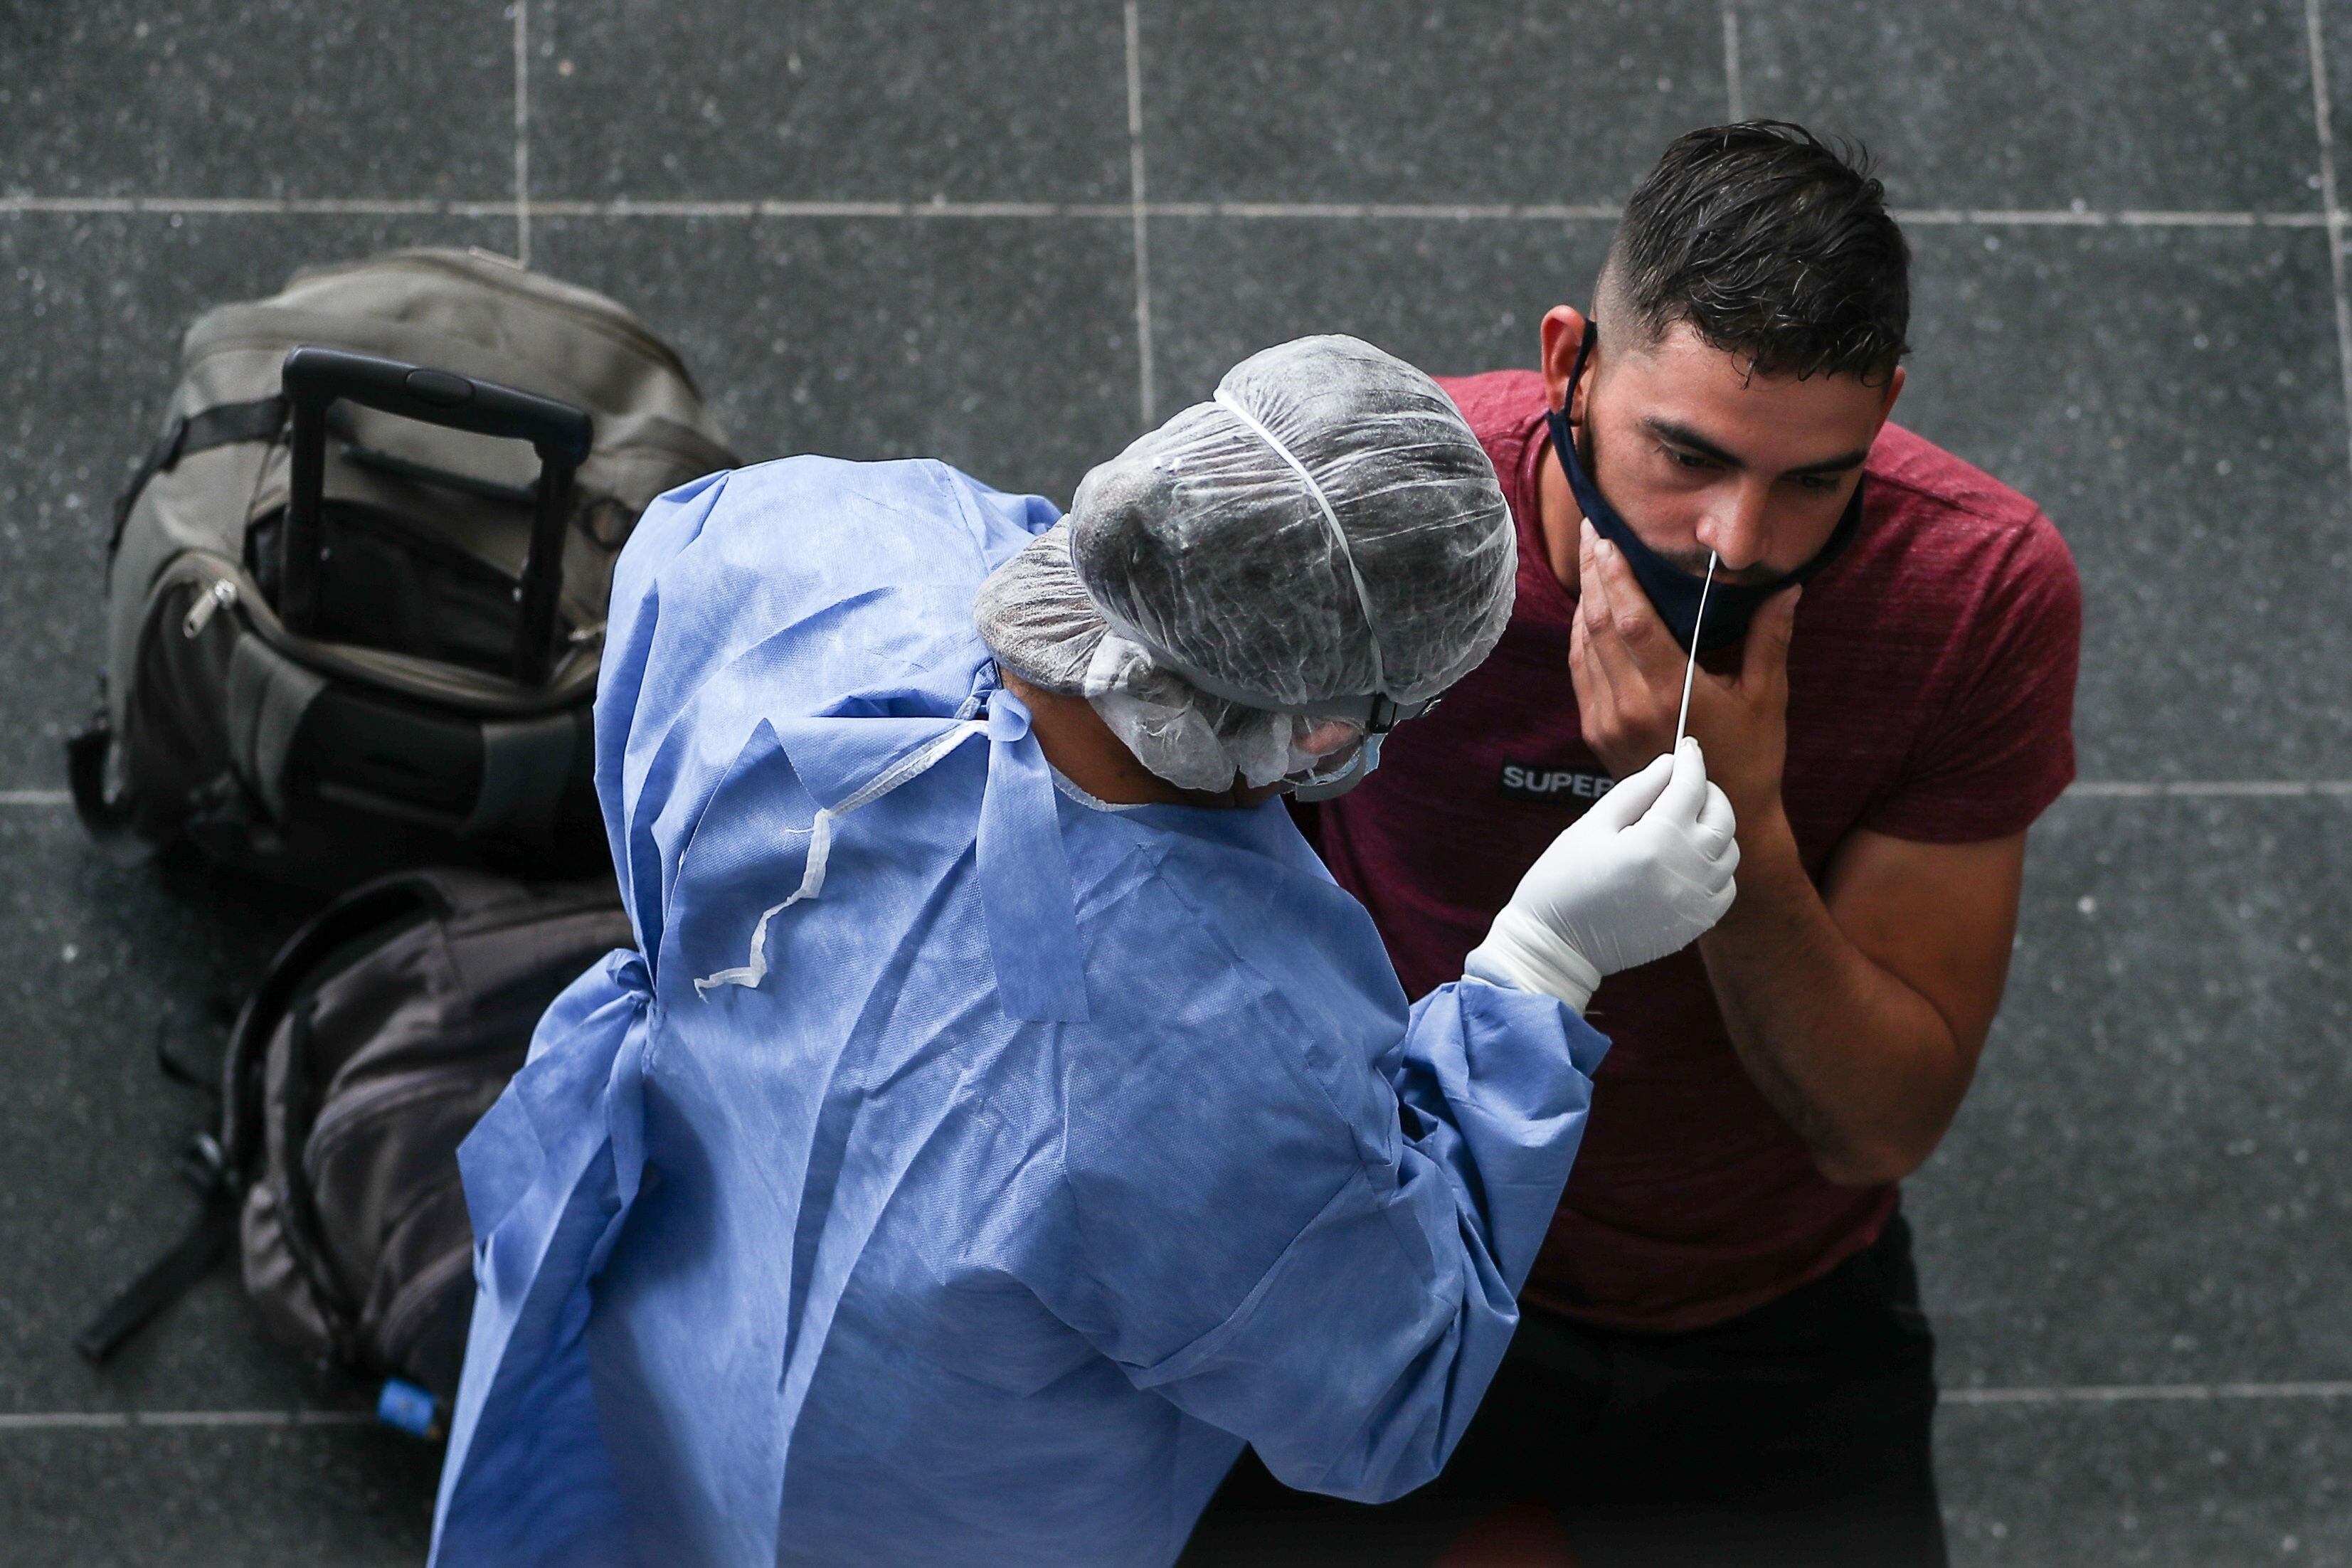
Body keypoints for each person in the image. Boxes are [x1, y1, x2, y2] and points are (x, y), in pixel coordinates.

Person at [426, 335, 1743, 1568]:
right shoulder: (1217, 1060)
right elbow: (1384, 1389)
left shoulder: (807, 540)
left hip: (668, 1259)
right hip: (935, 1496)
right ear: (1327, 736)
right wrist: (1539, 965)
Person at [1193, 124, 2082, 1567]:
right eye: (1687, 455)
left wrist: (1742, 825)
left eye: (1816, 480)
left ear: (1891, 412)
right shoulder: (1379, 519)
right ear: (1570, 367)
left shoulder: (1978, 591)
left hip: (1760, 1301)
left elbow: (1876, 1123)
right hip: (1390, 1222)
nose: (1741, 537)